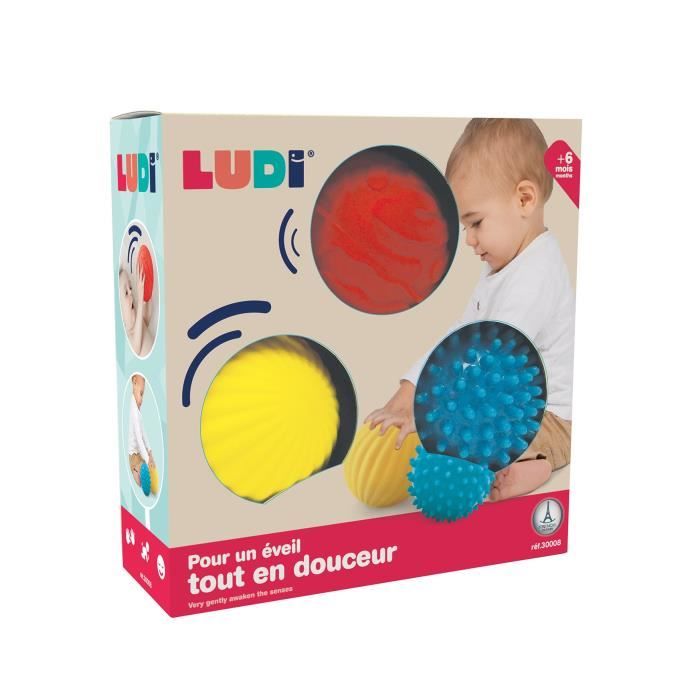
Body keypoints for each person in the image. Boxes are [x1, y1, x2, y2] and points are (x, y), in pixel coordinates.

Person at [366, 118, 574, 501]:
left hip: (553, 418)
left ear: (524, 200)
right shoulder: (504, 266)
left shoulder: (536, 275)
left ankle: (539, 464)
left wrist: (430, 416)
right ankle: (516, 463)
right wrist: (410, 390)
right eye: (465, 227)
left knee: (472, 441)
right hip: (509, 404)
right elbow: (461, 337)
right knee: (463, 435)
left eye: (475, 223)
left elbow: (492, 363)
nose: (469, 240)